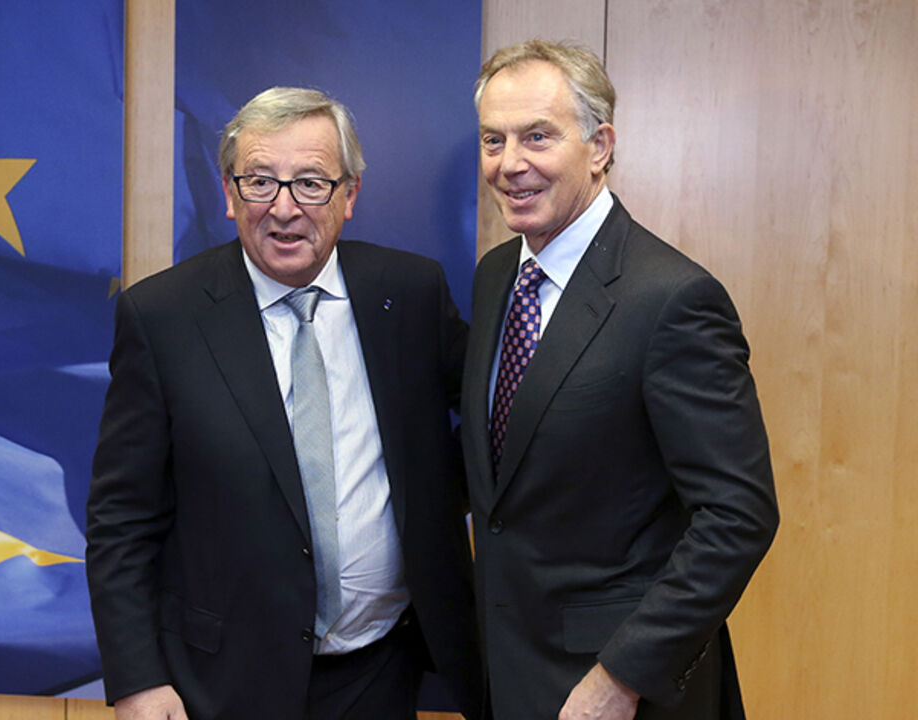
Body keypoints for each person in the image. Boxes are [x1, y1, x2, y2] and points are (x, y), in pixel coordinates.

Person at [86, 87, 483, 720]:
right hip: (220, 681)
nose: (284, 208)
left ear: (350, 196)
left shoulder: (408, 293)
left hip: (381, 670)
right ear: (228, 194)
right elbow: (121, 520)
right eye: (260, 182)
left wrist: (440, 497)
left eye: (311, 183)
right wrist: (136, 678)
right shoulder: (162, 317)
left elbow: (499, 417)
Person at [461, 40, 780, 720]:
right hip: (508, 668)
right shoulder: (496, 276)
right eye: (493, 139)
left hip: (617, 691)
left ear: (600, 145)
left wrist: (622, 676)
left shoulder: (673, 298)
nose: (509, 163)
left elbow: (738, 516)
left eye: (537, 137)